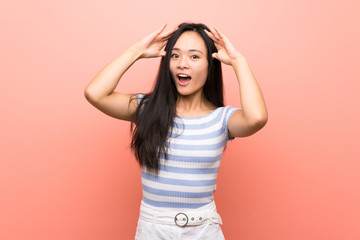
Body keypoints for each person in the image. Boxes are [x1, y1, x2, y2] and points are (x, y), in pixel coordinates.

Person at [84, 22, 268, 240]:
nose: (182, 64)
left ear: (211, 64)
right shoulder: (147, 109)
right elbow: (95, 93)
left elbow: (257, 117)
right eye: (175, 56)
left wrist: (238, 61)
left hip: (203, 229)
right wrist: (137, 52)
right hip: (153, 228)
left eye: (194, 57)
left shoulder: (221, 119)